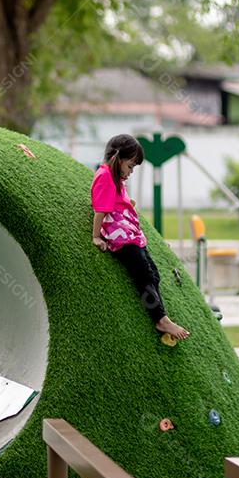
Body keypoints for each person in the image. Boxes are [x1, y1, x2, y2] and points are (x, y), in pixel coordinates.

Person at [91, 134, 190, 341]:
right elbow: (100, 209)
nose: (130, 172)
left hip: (128, 232)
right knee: (143, 274)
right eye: (130, 166)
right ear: (117, 158)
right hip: (121, 237)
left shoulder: (113, 177)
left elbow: (115, 200)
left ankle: (161, 315)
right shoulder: (105, 176)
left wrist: (127, 204)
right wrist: (96, 237)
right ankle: (160, 318)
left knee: (153, 273)